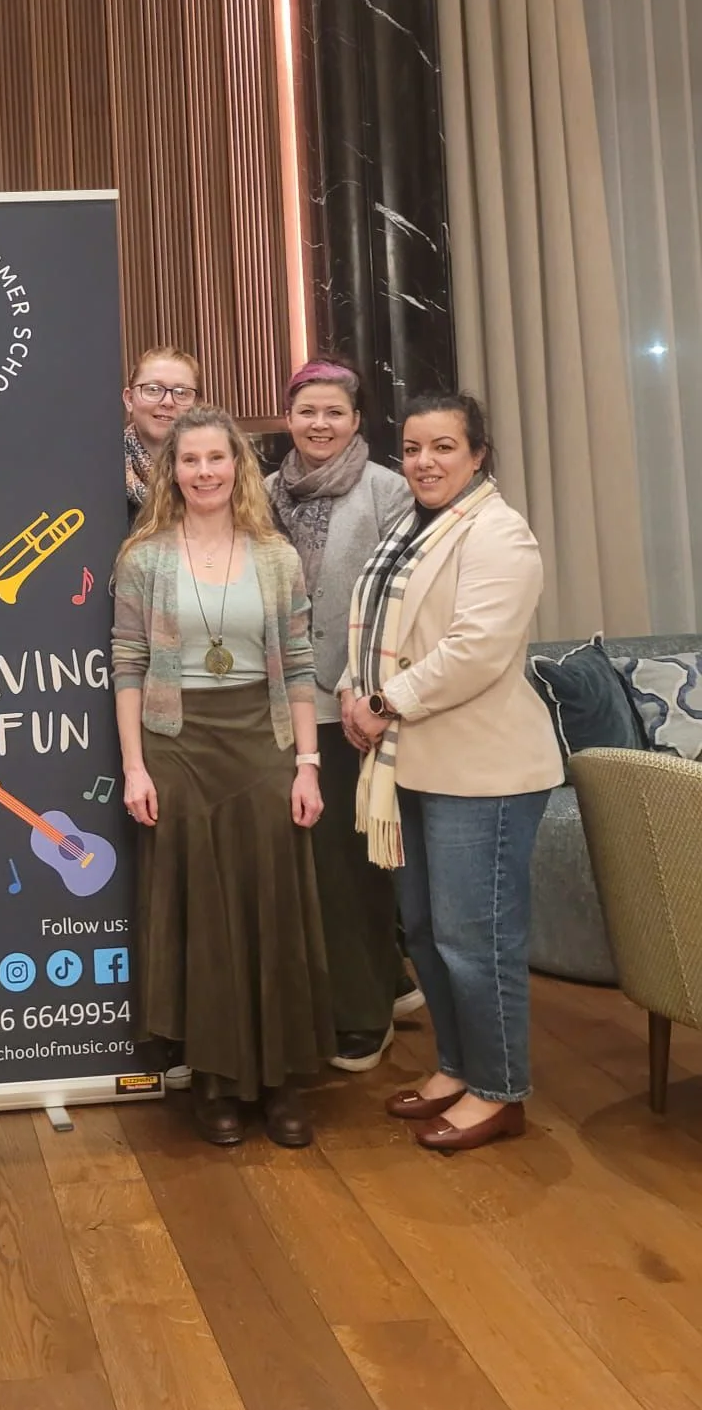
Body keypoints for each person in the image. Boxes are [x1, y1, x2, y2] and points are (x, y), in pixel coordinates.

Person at [342, 392, 561, 1152]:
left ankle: (501, 1092)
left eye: (442, 448)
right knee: (430, 934)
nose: (424, 463)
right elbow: (372, 624)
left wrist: (382, 701)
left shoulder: (501, 535)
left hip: (487, 770)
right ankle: (458, 1066)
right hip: (417, 765)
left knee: (478, 938)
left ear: (477, 455)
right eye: (411, 449)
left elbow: (474, 650)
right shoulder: (414, 527)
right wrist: (352, 687)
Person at [113, 406, 332, 1148]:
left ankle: (282, 1081)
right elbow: (128, 667)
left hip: (263, 742)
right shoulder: (143, 558)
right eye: (189, 460)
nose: (204, 472)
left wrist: (306, 765)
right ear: (169, 472)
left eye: (217, 458)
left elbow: (299, 667)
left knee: (272, 912)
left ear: (238, 466)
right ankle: (214, 1082)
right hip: (177, 747)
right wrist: (135, 766)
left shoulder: (276, 556)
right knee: (204, 921)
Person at [266, 359, 413, 1072]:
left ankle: (363, 1018)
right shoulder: (262, 493)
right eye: (306, 412)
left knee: (350, 863)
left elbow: (398, 599)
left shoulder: (389, 490)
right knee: (318, 862)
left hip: (356, 701)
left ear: (357, 421)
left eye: (334, 413)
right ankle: (387, 980)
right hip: (285, 700)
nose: (319, 425)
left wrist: (367, 689)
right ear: (287, 417)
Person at [123, 345, 202, 522]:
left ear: (196, 405)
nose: (168, 402)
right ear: (129, 400)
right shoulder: (101, 471)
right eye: (153, 389)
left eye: (181, 392)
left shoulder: (214, 473)